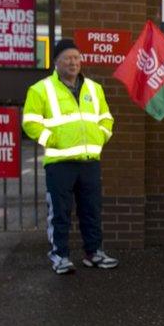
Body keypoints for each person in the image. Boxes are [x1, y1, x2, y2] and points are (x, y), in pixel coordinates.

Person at [22, 39, 119, 275]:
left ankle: (93, 253)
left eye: (76, 57)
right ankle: (60, 256)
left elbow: (106, 118)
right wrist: (53, 140)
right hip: (60, 163)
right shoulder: (40, 89)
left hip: (89, 162)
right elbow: (30, 123)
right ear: (56, 61)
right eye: (67, 58)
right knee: (60, 213)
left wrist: (100, 136)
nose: (73, 62)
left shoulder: (94, 89)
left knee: (91, 210)